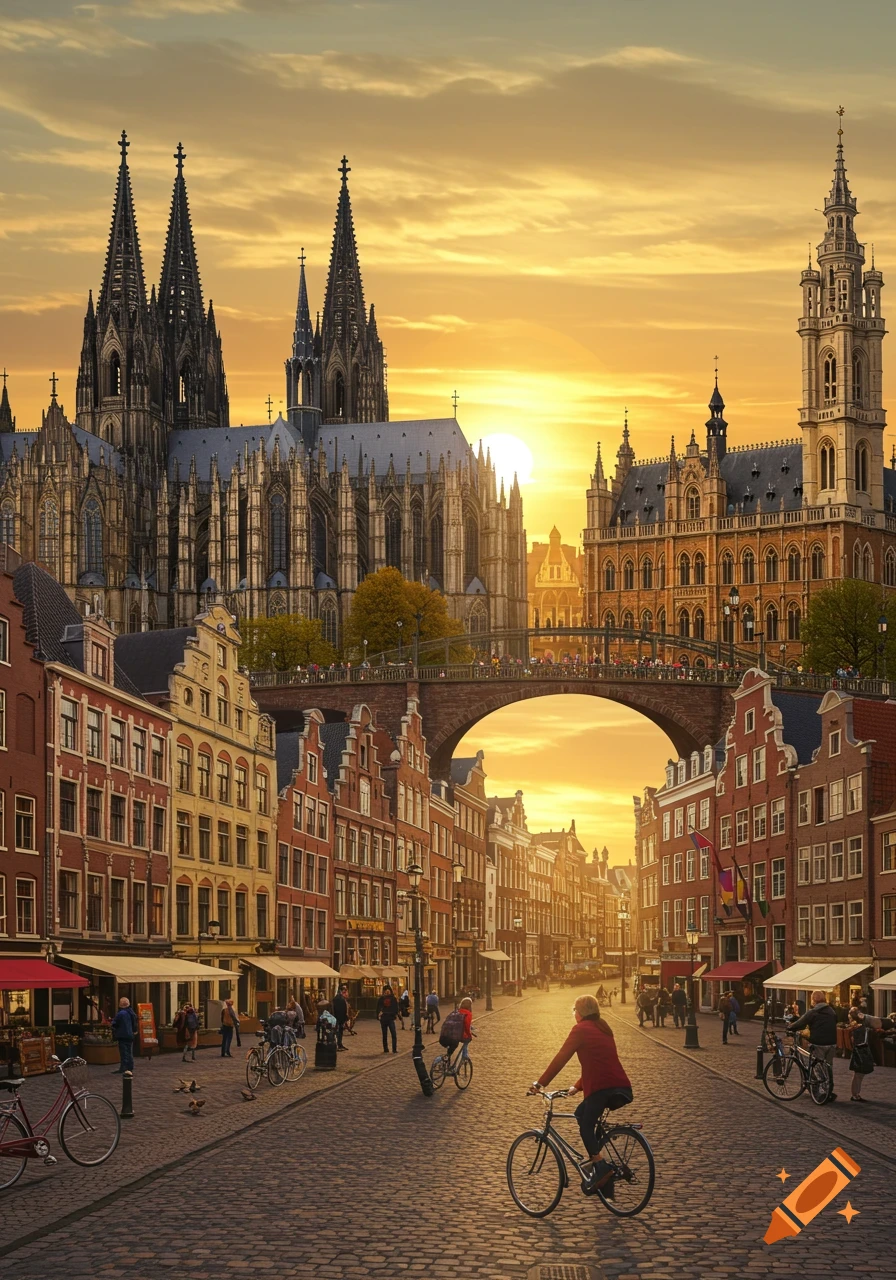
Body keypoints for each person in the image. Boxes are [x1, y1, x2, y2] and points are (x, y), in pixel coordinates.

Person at [530, 994, 633, 1195]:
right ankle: (602, 1176)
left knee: (585, 1124)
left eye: (574, 1011)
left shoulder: (580, 1030)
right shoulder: (604, 1027)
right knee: (581, 1114)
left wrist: (540, 1083)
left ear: (580, 1012)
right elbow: (600, 1062)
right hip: (619, 1085)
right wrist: (578, 1086)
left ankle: (601, 1167)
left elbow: (561, 1058)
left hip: (601, 1088)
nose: (574, 1014)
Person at [787, 989, 838, 1103]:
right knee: (828, 1067)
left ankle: (822, 1092)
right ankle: (829, 1090)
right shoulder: (831, 1010)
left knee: (817, 1067)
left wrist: (790, 1027)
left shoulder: (813, 1011)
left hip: (818, 1043)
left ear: (814, 1000)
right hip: (831, 1043)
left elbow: (801, 1022)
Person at [846, 1008, 875, 1101]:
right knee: (858, 1074)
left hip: (860, 1049)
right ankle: (855, 1094)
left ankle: (856, 1094)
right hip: (860, 1050)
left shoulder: (857, 1026)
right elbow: (857, 1041)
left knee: (859, 1074)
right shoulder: (858, 1027)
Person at [111, 997, 138, 1074]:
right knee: (129, 1052)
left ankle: (124, 1067)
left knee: (124, 1052)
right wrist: (134, 1031)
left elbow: (114, 1024)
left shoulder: (121, 1013)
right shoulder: (131, 1012)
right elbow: (134, 1023)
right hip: (130, 1035)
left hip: (122, 1035)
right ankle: (130, 1067)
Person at [377, 984, 400, 1053]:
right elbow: (378, 1008)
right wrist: (378, 1015)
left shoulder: (393, 998)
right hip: (383, 1018)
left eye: (388, 991)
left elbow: (396, 1008)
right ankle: (385, 1049)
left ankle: (394, 1049)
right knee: (384, 1034)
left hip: (390, 1018)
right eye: (386, 991)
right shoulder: (381, 999)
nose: (387, 992)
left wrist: (395, 1014)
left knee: (393, 1034)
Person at [333, 985, 350, 1051]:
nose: (347, 993)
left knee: (338, 1032)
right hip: (339, 1018)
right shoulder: (340, 999)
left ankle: (339, 1044)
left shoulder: (338, 998)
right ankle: (339, 1045)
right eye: (345, 992)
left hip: (338, 1017)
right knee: (339, 1032)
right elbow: (341, 1010)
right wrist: (344, 1018)